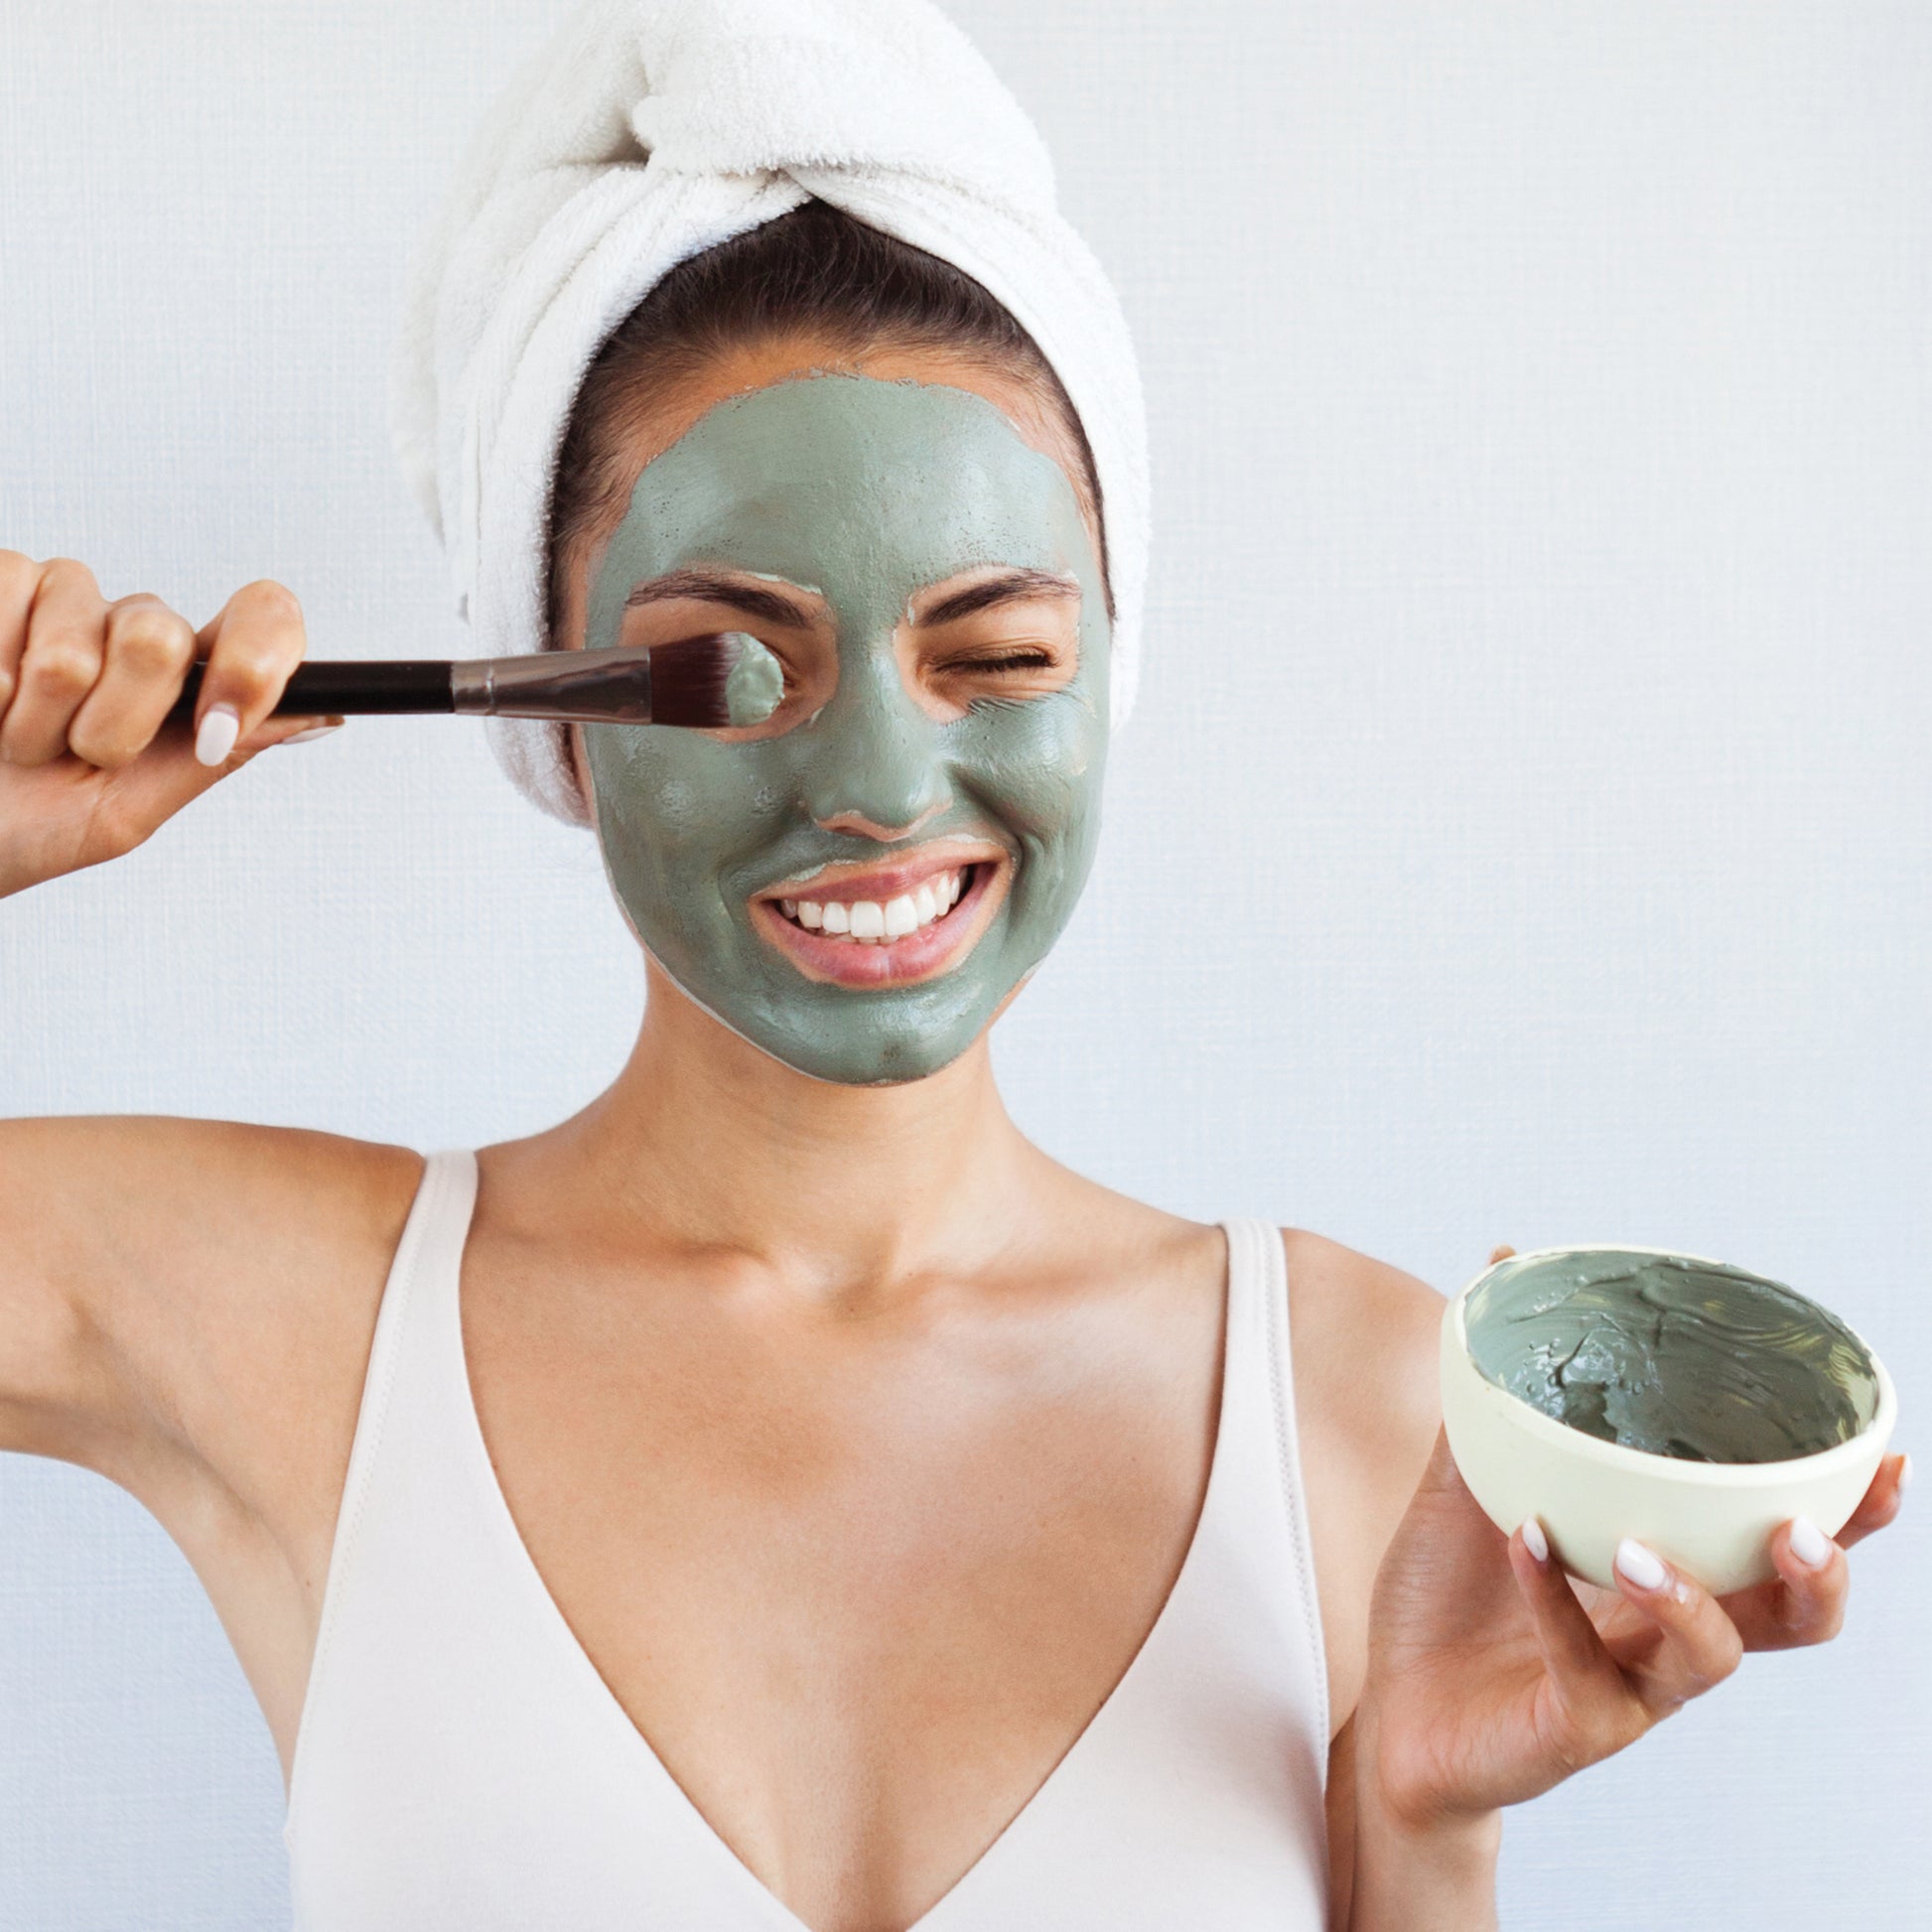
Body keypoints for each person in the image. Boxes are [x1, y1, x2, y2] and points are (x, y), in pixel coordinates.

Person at [0, 14, 1905, 1932]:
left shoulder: (1376, 1406)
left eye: (990, 654)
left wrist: (1421, 1826)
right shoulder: (273, 1311)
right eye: (734, 662)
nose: (880, 790)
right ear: (553, 707)